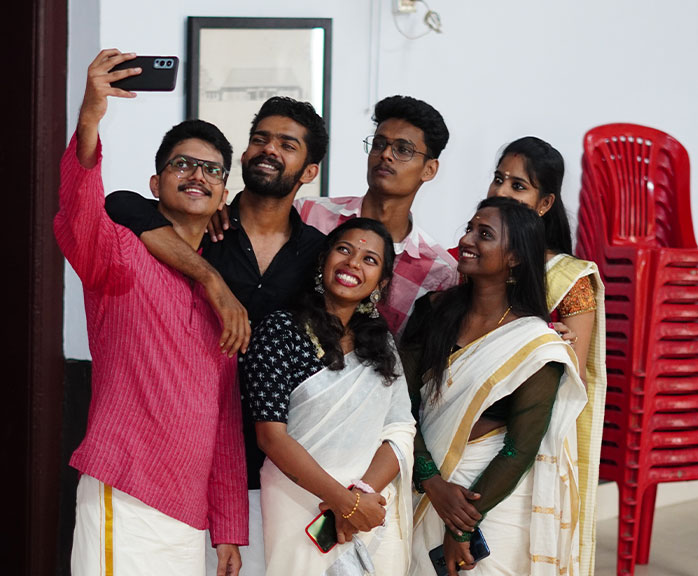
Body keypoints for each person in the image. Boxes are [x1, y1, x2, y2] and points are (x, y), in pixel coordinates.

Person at [105, 95, 329, 575]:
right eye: (260, 139)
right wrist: (213, 278)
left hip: (283, 466)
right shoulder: (201, 228)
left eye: (286, 144)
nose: (268, 150)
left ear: (310, 171)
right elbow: (120, 203)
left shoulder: (318, 253)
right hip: (190, 461)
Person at [54, 49, 247, 576]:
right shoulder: (119, 254)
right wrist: (90, 116)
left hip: (188, 518)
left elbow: (223, 419)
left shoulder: (224, 301)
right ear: (156, 184)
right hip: (126, 492)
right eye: (182, 164)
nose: (197, 174)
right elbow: (80, 208)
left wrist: (228, 527)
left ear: (222, 195)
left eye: (211, 169)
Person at [402, 197, 587, 575]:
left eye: (484, 234)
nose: (467, 240)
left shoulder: (536, 344)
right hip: (425, 485)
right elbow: (400, 405)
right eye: (469, 228)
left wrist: (462, 524)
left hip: (495, 500)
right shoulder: (433, 311)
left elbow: (520, 448)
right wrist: (432, 482)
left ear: (514, 257)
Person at [243, 218, 415, 574]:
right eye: (344, 250)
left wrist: (361, 496)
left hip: (369, 505)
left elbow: (399, 427)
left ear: (381, 283)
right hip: (299, 502)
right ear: (323, 260)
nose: (353, 263)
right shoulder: (280, 330)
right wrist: (343, 503)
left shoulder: (380, 343)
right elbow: (271, 436)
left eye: (369, 259)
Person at [210, 94, 459, 338]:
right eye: (379, 144)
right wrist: (211, 213)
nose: (385, 154)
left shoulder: (440, 271)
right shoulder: (309, 213)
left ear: (429, 169)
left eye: (403, 150)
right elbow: (259, 215)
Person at [483, 137, 606, 576]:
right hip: (465, 433)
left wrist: (543, 344)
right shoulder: (475, 257)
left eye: (518, 186)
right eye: (499, 179)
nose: (501, 191)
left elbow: (570, 381)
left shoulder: (568, 278)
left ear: (545, 203)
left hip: (530, 445)